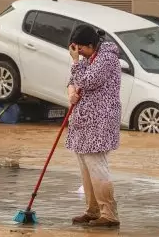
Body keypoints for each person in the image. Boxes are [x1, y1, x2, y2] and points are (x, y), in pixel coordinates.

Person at [66, 24, 121, 228]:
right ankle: (93, 209)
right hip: (83, 121)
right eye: (75, 50)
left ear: (91, 45)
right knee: (85, 166)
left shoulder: (107, 58)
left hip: (101, 120)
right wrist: (71, 92)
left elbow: (87, 81)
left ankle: (109, 213)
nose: (79, 53)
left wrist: (75, 61)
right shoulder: (90, 58)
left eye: (81, 49)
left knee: (96, 165)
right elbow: (73, 80)